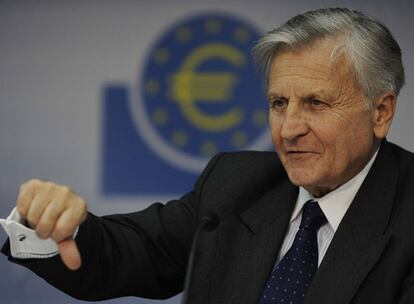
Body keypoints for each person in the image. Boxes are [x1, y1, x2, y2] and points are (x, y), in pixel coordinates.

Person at [1, 7, 413, 304]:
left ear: (380, 112)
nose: (288, 129)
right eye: (278, 103)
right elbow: (131, 252)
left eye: (317, 103)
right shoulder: (236, 183)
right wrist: (55, 227)